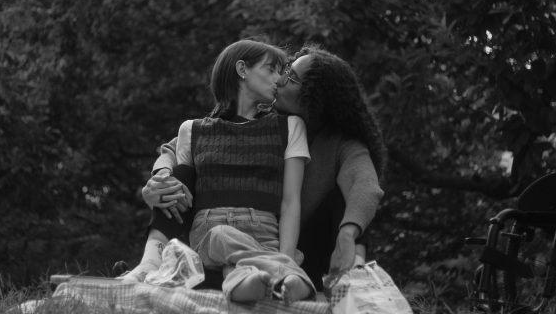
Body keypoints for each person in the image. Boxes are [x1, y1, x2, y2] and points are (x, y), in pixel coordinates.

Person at [125, 44, 386, 293]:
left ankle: (354, 274)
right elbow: (175, 148)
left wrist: (348, 234)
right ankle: (152, 260)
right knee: (182, 175)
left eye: (291, 77)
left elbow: (366, 186)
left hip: (301, 248)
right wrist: (159, 178)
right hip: (237, 240)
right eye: (281, 72)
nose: (281, 80)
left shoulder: (339, 143)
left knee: (349, 204)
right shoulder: (262, 123)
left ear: (315, 95)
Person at [134, 39, 315, 302]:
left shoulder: (290, 127)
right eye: (271, 70)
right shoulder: (192, 130)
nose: (279, 79)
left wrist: (285, 254)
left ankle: (259, 283)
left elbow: (290, 202)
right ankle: (291, 276)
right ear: (242, 69)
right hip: (209, 235)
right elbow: (170, 164)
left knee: (243, 272)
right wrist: (158, 178)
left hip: (263, 234)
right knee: (220, 235)